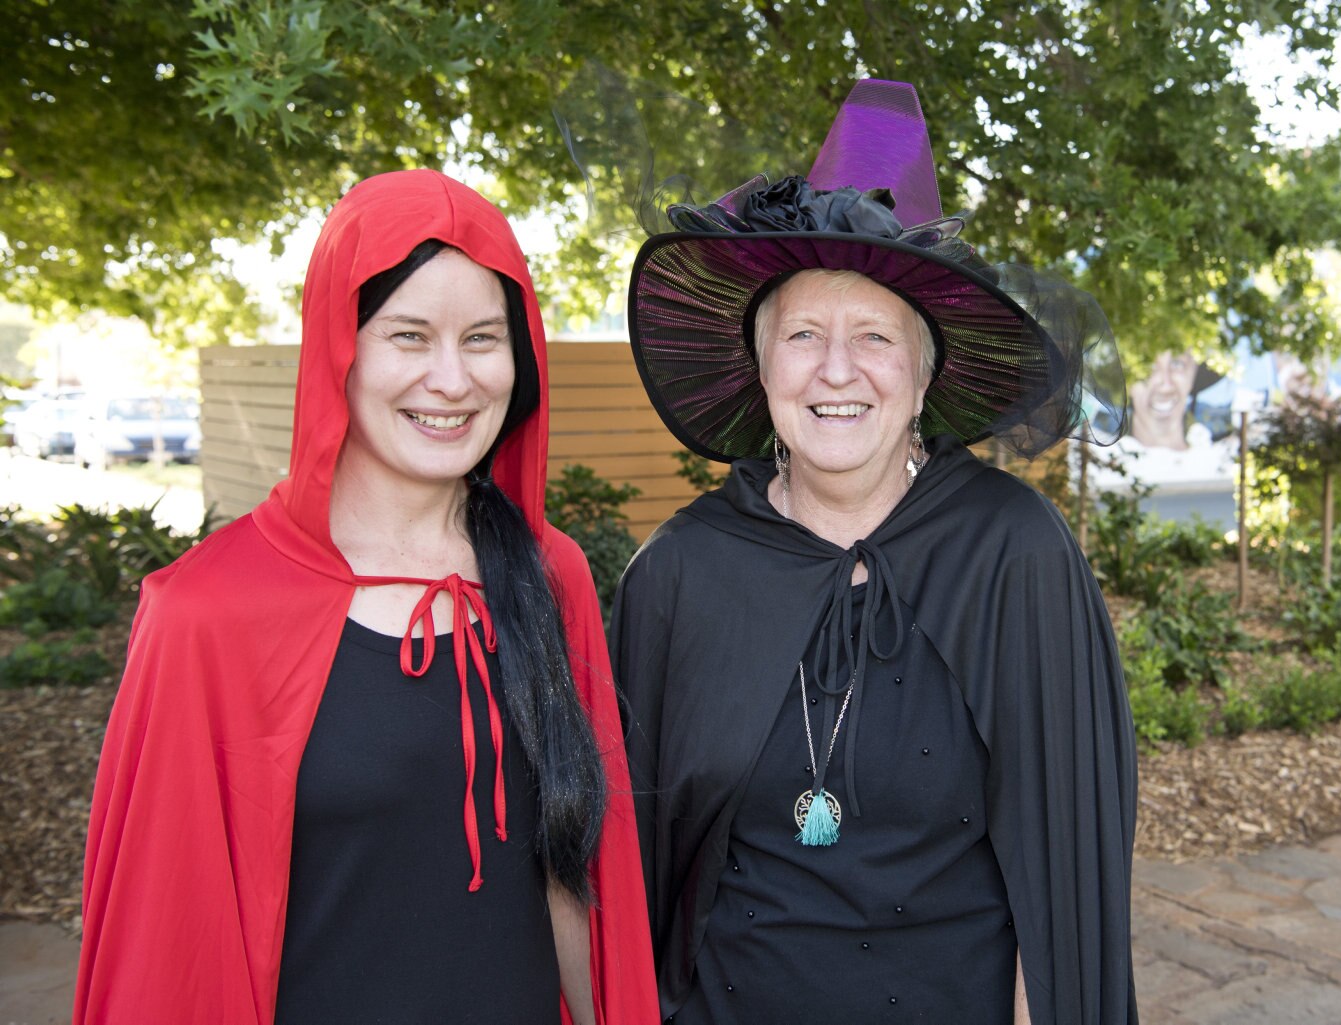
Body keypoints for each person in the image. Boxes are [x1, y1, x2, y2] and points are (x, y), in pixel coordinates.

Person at [610, 80, 1138, 1024]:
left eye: (876, 336)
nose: (838, 369)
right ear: (762, 368)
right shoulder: (680, 572)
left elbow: (1066, 869)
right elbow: (628, 866)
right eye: (804, 334)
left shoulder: (1014, 553)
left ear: (924, 377)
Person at [74, 169, 656, 1024]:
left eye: (484, 338)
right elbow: (170, 955)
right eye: (411, 336)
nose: (453, 380)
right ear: (338, 348)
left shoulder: (549, 573)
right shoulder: (204, 615)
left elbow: (576, 881)